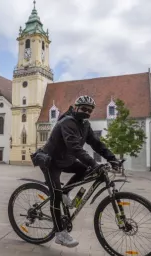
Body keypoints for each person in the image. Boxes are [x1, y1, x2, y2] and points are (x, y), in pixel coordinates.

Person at [37, 95, 121, 248]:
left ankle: (65, 193)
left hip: (66, 160)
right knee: (55, 195)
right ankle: (60, 234)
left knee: (85, 171)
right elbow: (74, 147)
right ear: (75, 108)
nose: (87, 112)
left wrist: (112, 158)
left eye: (90, 110)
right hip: (51, 161)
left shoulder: (85, 125)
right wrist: (94, 163)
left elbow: (96, 144)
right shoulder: (67, 122)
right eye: (83, 109)